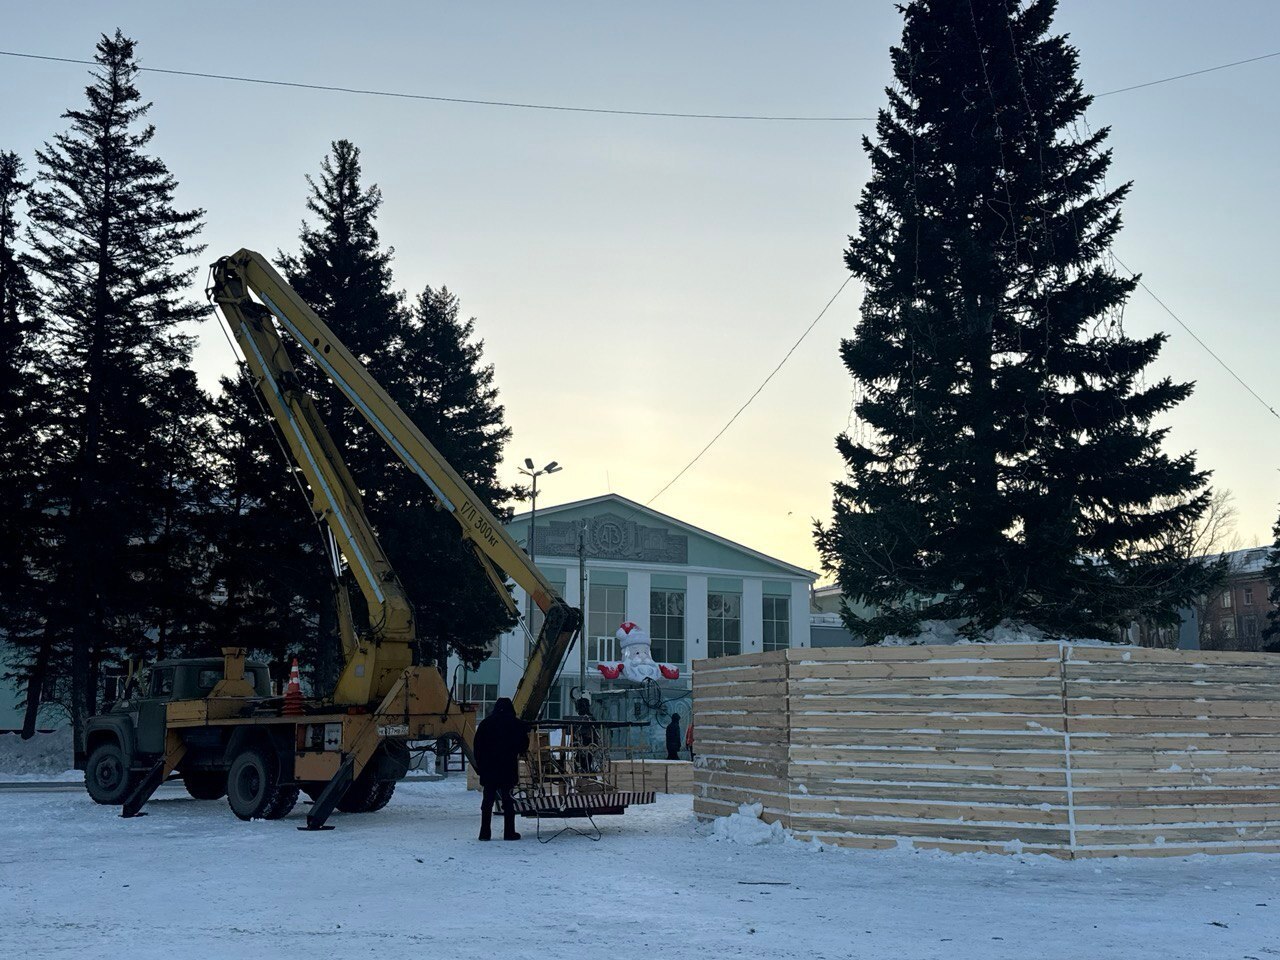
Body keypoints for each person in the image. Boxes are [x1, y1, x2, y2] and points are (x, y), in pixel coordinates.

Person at [472, 697, 529, 841]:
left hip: (489, 769)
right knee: (508, 801)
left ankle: (484, 833)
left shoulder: (485, 724)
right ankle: (509, 832)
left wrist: (480, 767)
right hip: (507, 768)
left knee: (487, 801)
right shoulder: (517, 725)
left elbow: (477, 747)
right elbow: (523, 746)